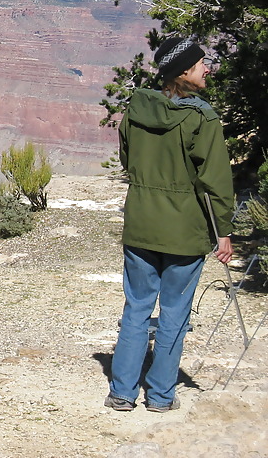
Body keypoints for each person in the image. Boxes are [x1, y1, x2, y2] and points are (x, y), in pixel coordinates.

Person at [105, 36, 234, 413]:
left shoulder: (137, 108)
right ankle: (161, 396)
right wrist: (222, 232)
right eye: (201, 65)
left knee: (136, 308)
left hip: (141, 224)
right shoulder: (202, 118)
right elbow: (216, 181)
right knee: (175, 312)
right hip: (184, 231)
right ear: (185, 73)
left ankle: (121, 393)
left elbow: (127, 159)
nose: (207, 69)